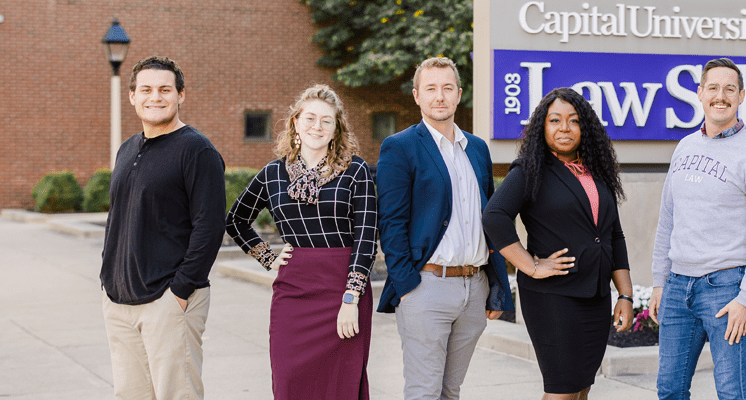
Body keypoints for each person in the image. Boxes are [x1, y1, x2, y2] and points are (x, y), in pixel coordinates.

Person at [375, 56, 515, 400]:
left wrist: (496, 285)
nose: (440, 96)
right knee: (424, 392)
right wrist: (408, 284)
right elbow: (390, 222)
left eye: (447, 88)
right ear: (417, 96)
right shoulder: (400, 147)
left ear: (459, 94)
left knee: (450, 391)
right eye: (431, 88)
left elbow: (491, 219)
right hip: (426, 286)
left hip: (474, 288)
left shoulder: (478, 149)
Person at [482, 87, 636, 400]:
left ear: (585, 128)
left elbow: (613, 235)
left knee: (582, 388)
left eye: (573, 121)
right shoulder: (529, 169)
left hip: (595, 296)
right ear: (543, 127)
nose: (564, 128)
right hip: (553, 297)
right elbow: (495, 217)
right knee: (562, 390)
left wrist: (626, 295)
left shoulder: (597, 173)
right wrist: (531, 266)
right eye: (555, 120)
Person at [225, 84, 376, 399]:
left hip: (343, 289)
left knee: (341, 386)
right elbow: (235, 220)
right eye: (310, 118)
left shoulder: (355, 171)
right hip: (294, 293)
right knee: (290, 382)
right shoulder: (272, 174)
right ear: (295, 122)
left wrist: (350, 299)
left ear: (336, 130)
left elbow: (366, 236)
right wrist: (268, 257)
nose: (316, 127)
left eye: (326, 121)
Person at [648, 57, 746, 400]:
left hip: (725, 290)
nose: (720, 95)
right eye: (713, 87)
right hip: (678, 288)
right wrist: (658, 281)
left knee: (732, 392)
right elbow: (668, 219)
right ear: (699, 93)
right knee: (669, 389)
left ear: (741, 96)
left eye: (729, 88)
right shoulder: (685, 147)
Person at [100, 56, 226, 400]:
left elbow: (210, 225)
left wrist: (181, 291)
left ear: (180, 95)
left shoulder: (197, 150)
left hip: (168, 301)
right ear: (132, 96)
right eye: (146, 89)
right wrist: (108, 277)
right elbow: (120, 217)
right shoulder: (127, 149)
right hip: (120, 301)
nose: (155, 97)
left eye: (164, 89)